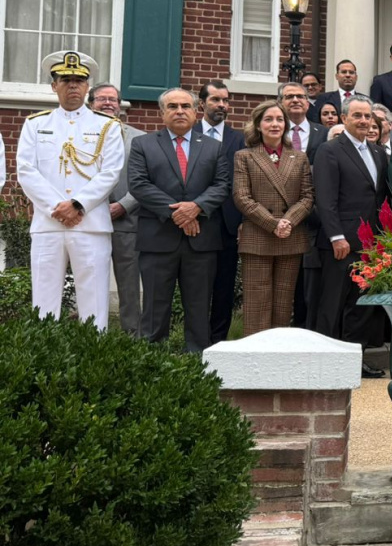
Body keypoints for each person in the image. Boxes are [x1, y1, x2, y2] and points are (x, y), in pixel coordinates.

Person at [17, 52, 124, 330]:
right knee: (44, 300)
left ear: (87, 86)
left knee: (94, 301)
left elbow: (111, 172)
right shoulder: (35, 124)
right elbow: (26, 171)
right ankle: (44, 350)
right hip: (48, 223)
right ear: (54, 86)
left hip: (91, 224)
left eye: (79, 80)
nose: (72, 85)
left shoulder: (107, 126)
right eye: (65, 80)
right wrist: (58, 207)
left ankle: (94, 351)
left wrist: (77, 205)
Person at [129, 87, 231, 352]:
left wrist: (196, 207)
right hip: (157, 240)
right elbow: (139, 184)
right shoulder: (143, 145)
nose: (179, 111)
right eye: (172, 106)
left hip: (201, 241)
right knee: (154, 309)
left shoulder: (214, 147)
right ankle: (152, 362)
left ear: (196, 112)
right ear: (162, 113)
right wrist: (180, 213)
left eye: (186, 106)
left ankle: (197, 363)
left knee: (199, 309)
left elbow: (222, 185)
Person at [313, 96, 389, 377]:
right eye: (357, 115)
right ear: (344, 118)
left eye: (368, 116)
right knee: (333, 304)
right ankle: (326, 364)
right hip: (341, 244)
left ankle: (355, 361)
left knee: (361, 307)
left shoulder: (378, 152)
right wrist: (336, 236)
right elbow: (325, 199)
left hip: (371, 244)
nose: (364, 121)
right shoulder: (330, 150)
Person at [232, 100, 314, 336]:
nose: (275, 124)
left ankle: (279, 351)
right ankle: (255, 353)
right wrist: (273, 223)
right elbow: (241, 197)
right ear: (258, 125)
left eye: (279, 119)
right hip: (258, 237)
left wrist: (288, 221)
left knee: (283, 304)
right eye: (268, 119)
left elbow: (307, 196)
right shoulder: (244, 156)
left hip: (290, 237)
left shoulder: (299, 157)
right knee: (257, 304)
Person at [87, 83, 146, 336]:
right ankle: (90, 333)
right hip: (87, 221)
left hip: (126, 222)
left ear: (120, 105)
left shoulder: (140, 138)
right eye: (101, 99)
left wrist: (124, 205)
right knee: (89, 281)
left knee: (129, 285)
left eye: (113, 99)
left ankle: (132, 337)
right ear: (91, 104)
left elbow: (147, 179)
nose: (108, 103)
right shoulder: (78, 135)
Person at [196, 80, 246, 343]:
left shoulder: (240, 139)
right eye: (216, 100)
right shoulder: (188, 134)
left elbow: (247, 181)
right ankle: (195, 343)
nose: (222, 105)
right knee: (195, 288)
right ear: (202, 103)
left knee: (224, 288)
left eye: (225, 100)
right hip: (195, 222)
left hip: (229, 224)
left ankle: (218, 343)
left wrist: (243, 220)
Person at [280, 82, 329, 330]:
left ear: (308, 103)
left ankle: (306, 329)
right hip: (280, 218)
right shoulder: (274, 132)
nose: (296, 100)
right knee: (283, 284)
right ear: (281, 103)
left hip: (314, 220)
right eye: (289, 96)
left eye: (301, 96)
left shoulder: (324, 133)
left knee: (309, 286)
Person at [312, 59, 363, 123]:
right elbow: (316, 122)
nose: (348, 75)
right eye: (344, 72)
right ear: (337, 76)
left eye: (351, 72)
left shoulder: (365, 100)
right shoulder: (324, 98)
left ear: (356, 77)